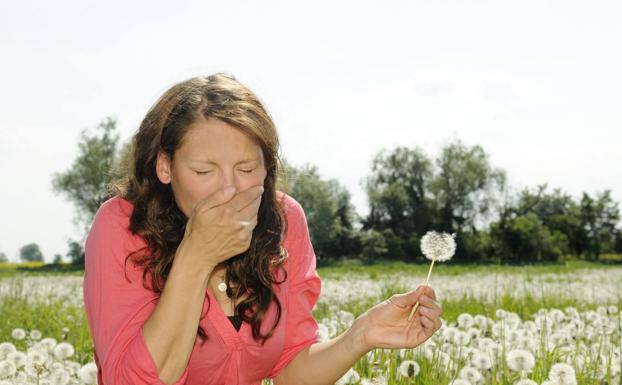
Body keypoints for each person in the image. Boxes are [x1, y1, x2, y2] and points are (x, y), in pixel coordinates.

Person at [82, 73, 442, 385]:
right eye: (204, 172)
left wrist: (361, 336)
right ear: (165, 166)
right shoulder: (122, 226)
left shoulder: (283, 221)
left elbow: (290, 371)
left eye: (247, 168)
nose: (230, 190)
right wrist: (196, 258)